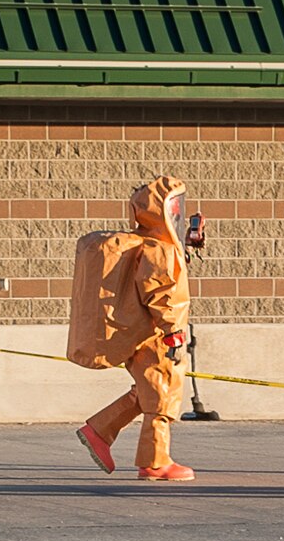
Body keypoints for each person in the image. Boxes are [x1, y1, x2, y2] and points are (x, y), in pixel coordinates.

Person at [71, 176, 195, 482]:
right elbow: (162, 293)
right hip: (154, 335)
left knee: (148, 391)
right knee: (163, 394)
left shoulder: (152, 245)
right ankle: (155, 462)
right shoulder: (159, 251)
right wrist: (173, 332)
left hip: (141, 332)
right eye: (175, 210)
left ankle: (100, 429)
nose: (178, 217)